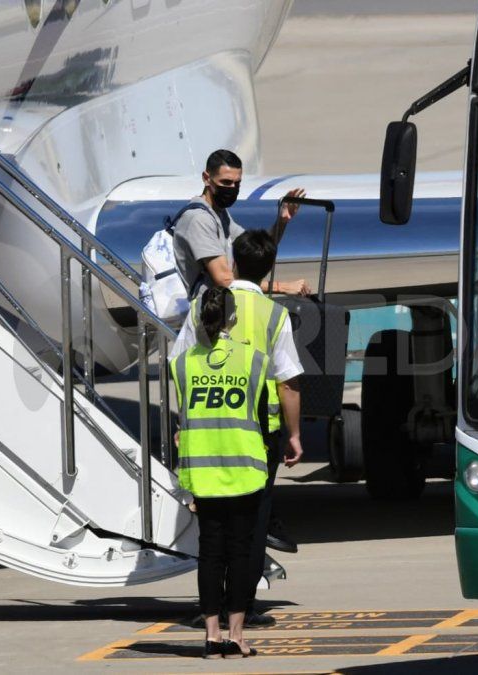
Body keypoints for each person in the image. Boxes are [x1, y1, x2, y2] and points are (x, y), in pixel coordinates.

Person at [171, 287, 269, 660]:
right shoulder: (253, 360)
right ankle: (237, 635)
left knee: (210, 554)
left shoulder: (181, 364)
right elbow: (259, 412)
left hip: (204, 472)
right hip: (243, 469)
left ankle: (211, 637)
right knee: (240, 553)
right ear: (233, 318)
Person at [227, 230, 304, 627]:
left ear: (233, 264)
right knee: (254, 517)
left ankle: (212, 606)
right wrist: (294, 434)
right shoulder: (274, 315)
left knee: (213, 519)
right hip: (258, 430)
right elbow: (287, 382)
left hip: (208, 428)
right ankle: (243, 605)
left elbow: (179, 365)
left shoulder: (201, 307)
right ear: (268, 272)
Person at [170, 149, 308, 359]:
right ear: (207, 178)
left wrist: (282, 221)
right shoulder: (199, 219)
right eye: (226, 182)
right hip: (208, 323)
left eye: (237, 183)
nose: (232, 188)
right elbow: (225, 280)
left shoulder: (219, 214)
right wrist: (283, 287)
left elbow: (255, 251)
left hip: (225, 316)